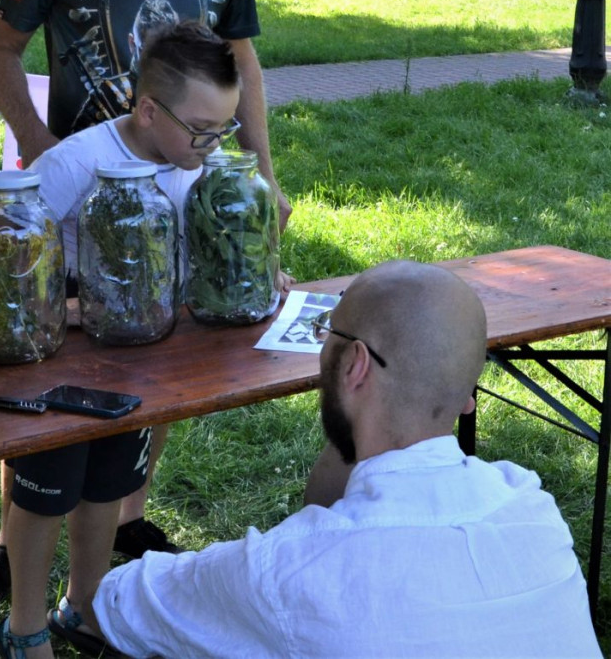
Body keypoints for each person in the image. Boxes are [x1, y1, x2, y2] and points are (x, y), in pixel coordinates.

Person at [0, 0, 294, 616]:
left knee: (157, 350)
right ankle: (12, 544)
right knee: (50, 364)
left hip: (180, 186)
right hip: (79, 185)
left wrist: (259, 166)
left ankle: (126, 520)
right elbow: (0, 52)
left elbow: (241, 62)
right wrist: (41, 150)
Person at [90, 260, 601, 659]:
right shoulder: (531, 507)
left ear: (355, 364)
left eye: (325, 335)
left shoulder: (288, 572)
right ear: (467, 394)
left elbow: (114, 604)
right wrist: (358, 425)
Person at [0, 21, 242, 659]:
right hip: (64, 359)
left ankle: (83, 606)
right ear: (148, 109)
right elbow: (5, 253)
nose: (212, 147)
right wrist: (70, 311)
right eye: (201, 130)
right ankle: (23, 629)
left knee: (107, 486)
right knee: (51, 488)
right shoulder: (77, 163)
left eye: (224, 131)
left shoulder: (189, 161)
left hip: (140, 355)